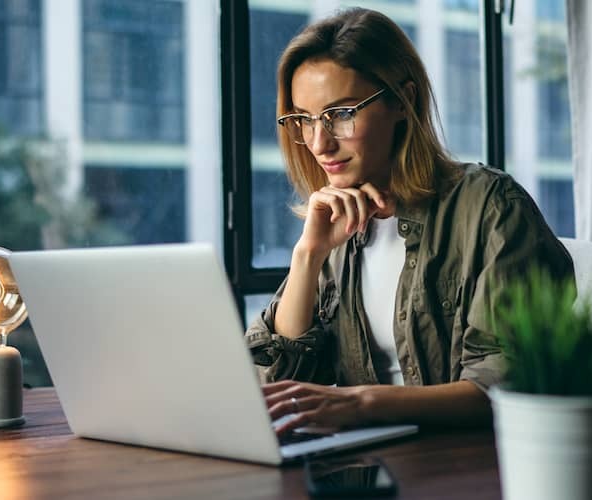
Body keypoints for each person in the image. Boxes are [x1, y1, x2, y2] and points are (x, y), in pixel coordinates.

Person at [244, 7, 574, 435]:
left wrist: (361, 403)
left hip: (466, 466)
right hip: (368, 464)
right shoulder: (337, 223)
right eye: (303, 120)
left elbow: (503, 387)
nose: (319, 143)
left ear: (403, 101)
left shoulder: (492, 208)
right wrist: (308, 256)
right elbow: (275, 385)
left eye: (341, 114)